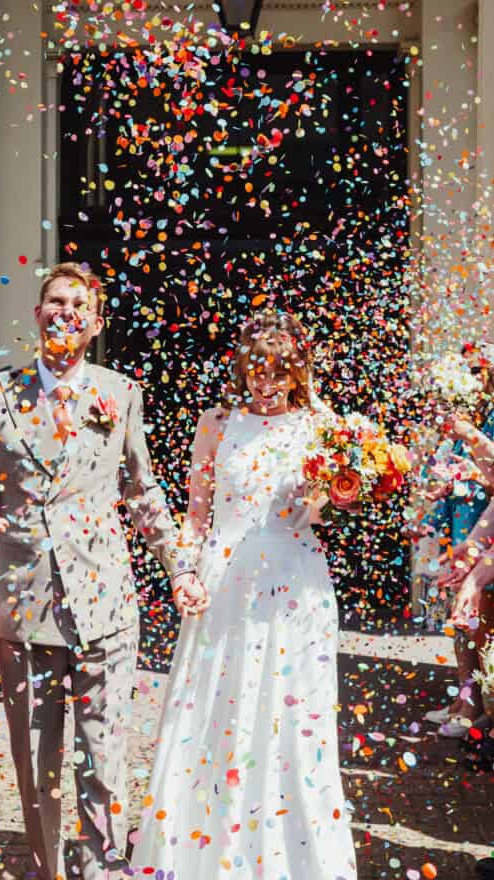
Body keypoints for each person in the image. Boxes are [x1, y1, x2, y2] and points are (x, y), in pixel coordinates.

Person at [0, 262, 206, 880]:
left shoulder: (119, 393)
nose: (63, 312)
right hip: (23, 603)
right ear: (38, 315)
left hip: (106, 602)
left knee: (104, 753)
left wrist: (177, 566)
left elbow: (143, 492)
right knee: (37, 758)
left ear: (94, 324)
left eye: (77, 305)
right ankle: (48, 868)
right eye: (53, 302)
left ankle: (101, 869)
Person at [130, 311, 357, 880]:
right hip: (225, 579)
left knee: (290, 713)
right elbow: (196, 515)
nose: (267, 380)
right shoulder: (216, 422)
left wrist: (330, 495)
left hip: (295, 582)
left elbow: (336, 504)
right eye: (258, 367)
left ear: (298, 371)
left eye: (280, 369)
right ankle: (211, 853)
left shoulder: (321, 424)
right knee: (218, 711)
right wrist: (184, 572)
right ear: (242, 365)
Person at [419, 344, 494, 738]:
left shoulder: (478, 424)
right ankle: (464, 701)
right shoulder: (471, 419)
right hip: (469, 521)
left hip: (484, 522)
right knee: (463, 618)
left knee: (480, 619)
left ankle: (477, 706)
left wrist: (475, 447)